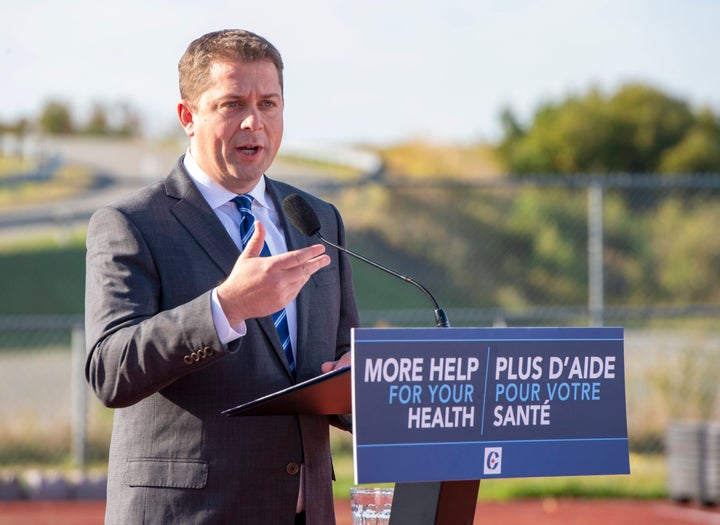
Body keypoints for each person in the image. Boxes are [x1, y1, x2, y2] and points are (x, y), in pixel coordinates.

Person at [84, 29, 359, 525]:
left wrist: (362, 385)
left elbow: (335, 366)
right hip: (188, 512)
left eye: (269, 103)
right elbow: (110, 371)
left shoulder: (316, 219)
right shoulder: (132, 224)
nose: (255, 121)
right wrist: (225, 309)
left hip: (304, 510)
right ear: (188, 117)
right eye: (233, 104)